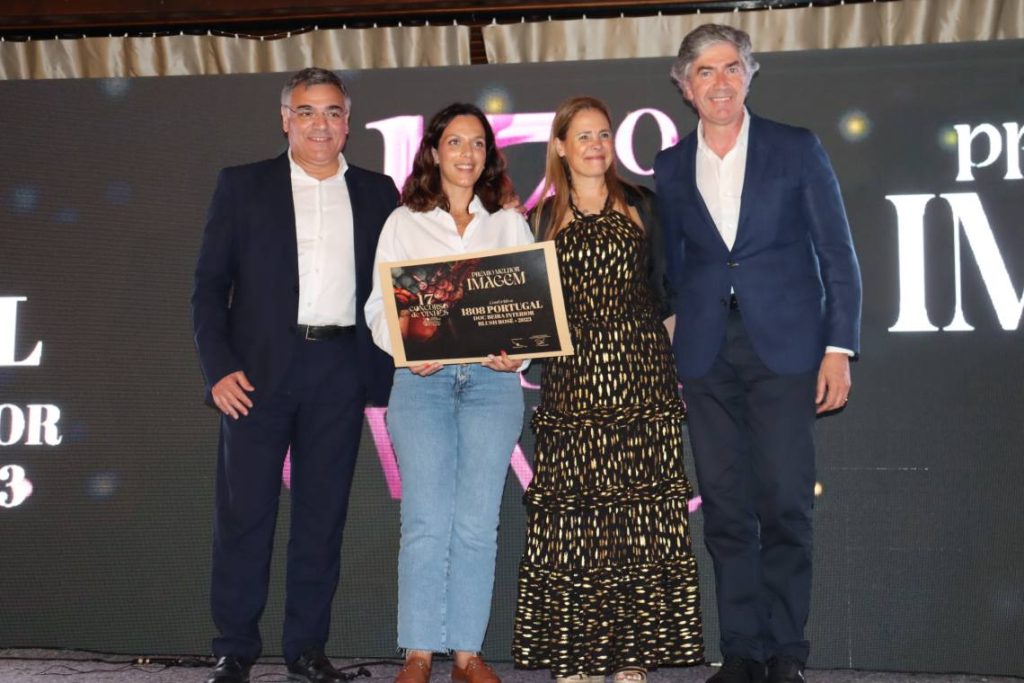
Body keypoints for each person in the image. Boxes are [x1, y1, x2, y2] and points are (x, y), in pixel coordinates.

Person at [654, 24, 863, 683]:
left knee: (784, 503)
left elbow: (837, 254)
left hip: (786, 350)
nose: (719, 82)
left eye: (730, 68)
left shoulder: (795, 148)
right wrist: (674, 329)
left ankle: (786, 652)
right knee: (724, 507)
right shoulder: (669, 165)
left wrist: (839, 347)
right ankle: (742, 650)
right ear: (685, 86)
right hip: (706, 355)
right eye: (705, 71)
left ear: (749, 75)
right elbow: (672, 265)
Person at [191, 67, 399, 683]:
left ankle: (307, 650)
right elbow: (208, 288)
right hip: (255, 376)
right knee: (244, 517)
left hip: (340, 371)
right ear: (285, 119)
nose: (320, 125)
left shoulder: (378, 192)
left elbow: (403, 282)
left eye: (332, 112)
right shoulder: (242, 186)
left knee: (322, 519)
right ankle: (234, 649)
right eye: (306, 111)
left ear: (348, 122)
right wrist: (218, 368)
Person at [513, 96, 704, 683]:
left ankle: (632, 654)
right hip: (574, 385)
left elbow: (668, 294)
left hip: (641, 380)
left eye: (603, 134)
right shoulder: (538, 219)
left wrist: (663, 367)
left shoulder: (644, 204)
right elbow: (527, 309)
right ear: (560, 146)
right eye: (583, 136)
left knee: (638, 517)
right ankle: (576, 653)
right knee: (578, 518)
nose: (596, 145)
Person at [364, 103, 534, 683]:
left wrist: (520, 355)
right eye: (456, 142)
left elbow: (528, 308)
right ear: (434, 152)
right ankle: (417, 652)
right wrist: (410, 350)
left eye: (478, 143)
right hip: (422, 384)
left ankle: (466, 654)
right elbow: (379, 309)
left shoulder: (508, 222)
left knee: (477, 523)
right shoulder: (403, 223)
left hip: (492, 384)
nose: (467, 153)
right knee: (425, 520)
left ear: (489, 155)